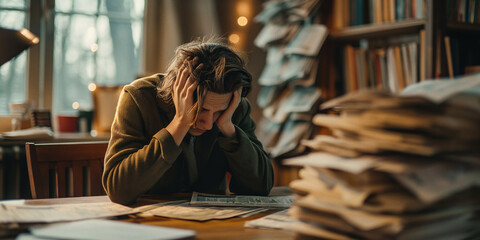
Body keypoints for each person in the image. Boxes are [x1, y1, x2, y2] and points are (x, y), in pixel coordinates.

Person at [102, 37, 274, 205]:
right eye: (202, 109)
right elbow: (118, 190)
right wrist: (180, 124)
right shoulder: (138, 98)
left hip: (216, 225)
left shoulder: (235, 107)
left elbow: (261, 187)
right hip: (149, 224)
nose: (208, 124)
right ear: (177, 90)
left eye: (218, 112)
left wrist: (229, 129)